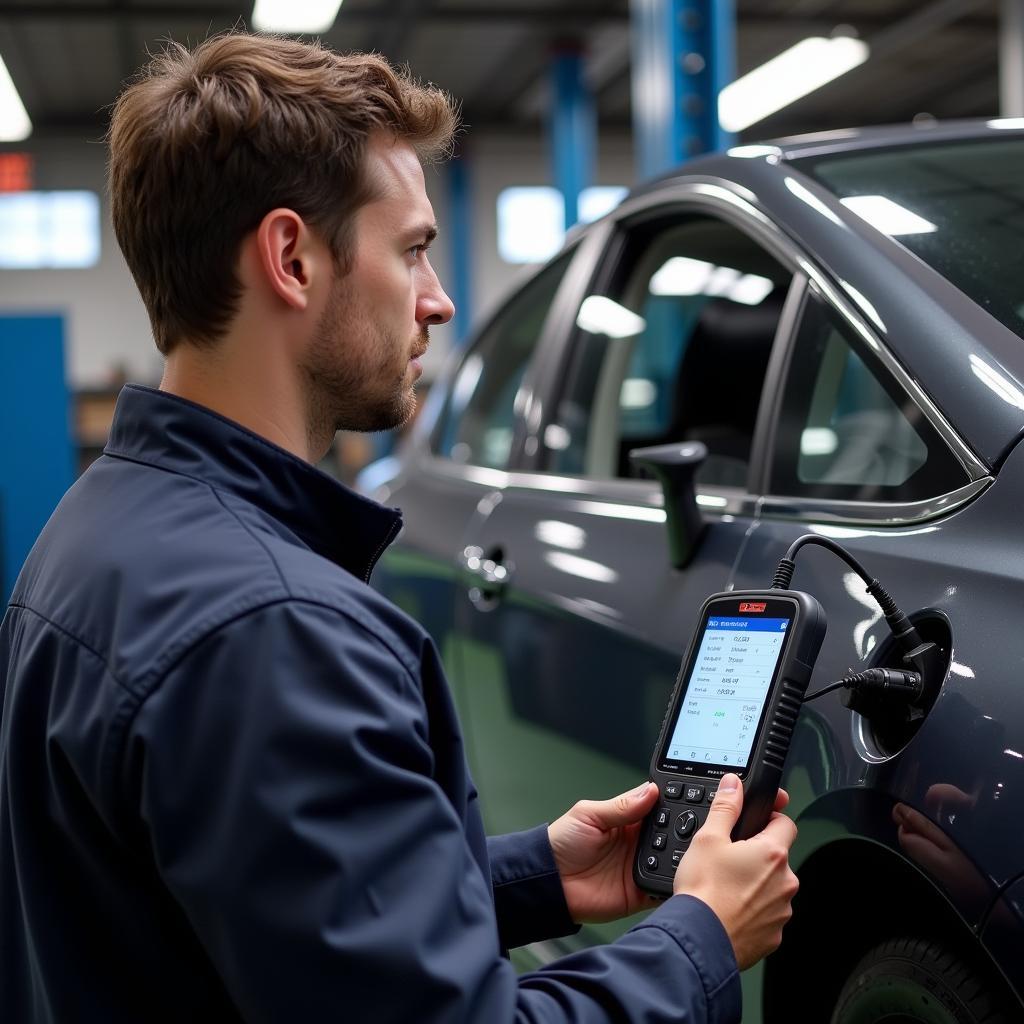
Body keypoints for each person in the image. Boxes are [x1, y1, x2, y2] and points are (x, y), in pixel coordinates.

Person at [0, 33, 798, 1023]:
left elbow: (259, 913)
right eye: (412, 249)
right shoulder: (272, 628)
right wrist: (700, 938)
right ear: (291, 257)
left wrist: (536, 877)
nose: (439, 299)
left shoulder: (98, 531)